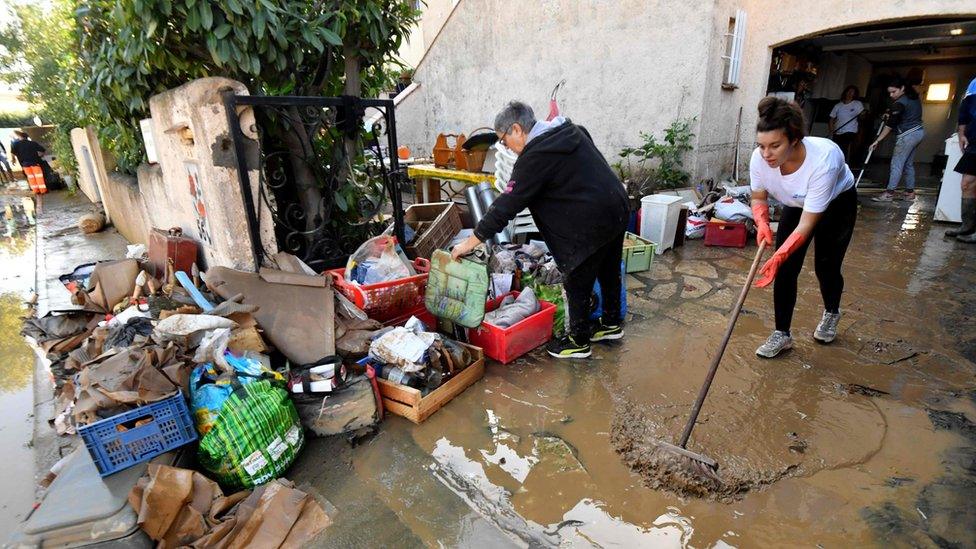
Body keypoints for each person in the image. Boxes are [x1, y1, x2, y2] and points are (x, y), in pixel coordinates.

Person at [450, 101, 630, 359]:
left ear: (516, 129)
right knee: (609, 267)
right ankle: (611, 324)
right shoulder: (571, 131)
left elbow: (506, 205)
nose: (504, 146)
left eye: (503, 140)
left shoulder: (535, 156)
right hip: (617, 206)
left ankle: (578, 342)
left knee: (577, 277)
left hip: (591, 220)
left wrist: (470, 242)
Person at [749, 97, 857, 359]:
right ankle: (782, 334)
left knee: (826, 265)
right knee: (786, 270)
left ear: (794, 140)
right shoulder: (760, 159)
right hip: (796, 202)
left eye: (775, 146)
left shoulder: (825, 161)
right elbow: (758, 197)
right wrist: (762, 223)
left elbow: (808, 223)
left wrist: (779, 255)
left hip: (835, 203)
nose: (766, 154)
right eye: (761, 146)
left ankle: (832, 311)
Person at [870, 77, 924, 202]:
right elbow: (898, 113)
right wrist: (890, 111)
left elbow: (889, 125)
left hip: (908, 135)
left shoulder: (900, 103)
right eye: (889, 92)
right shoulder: (914, 98)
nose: (891, 95)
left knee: (896, 163)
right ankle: (910, 193)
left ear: (902, 88)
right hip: (918, 132)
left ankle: (889, 193)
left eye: (894, 92)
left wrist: (877, 140)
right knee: (908, 164)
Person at [946, 77, 976, 243]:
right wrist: (961, 133)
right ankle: (967, 226)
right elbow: (964, 112)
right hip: (974, 141)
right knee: (967, 183)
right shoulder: (974, 84)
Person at [828, 85, 865, 163]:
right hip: (838, 131)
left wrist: (863, 114)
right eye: (849, 91)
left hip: (850, 131)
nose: (850, 93)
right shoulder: (838, 105)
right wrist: (831, 131)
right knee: (835, 149)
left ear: (855, 94)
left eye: (852, 92)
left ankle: (843, 164)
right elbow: (832, 119)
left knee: (844, 147)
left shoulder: (857, 104)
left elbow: (862, 116)